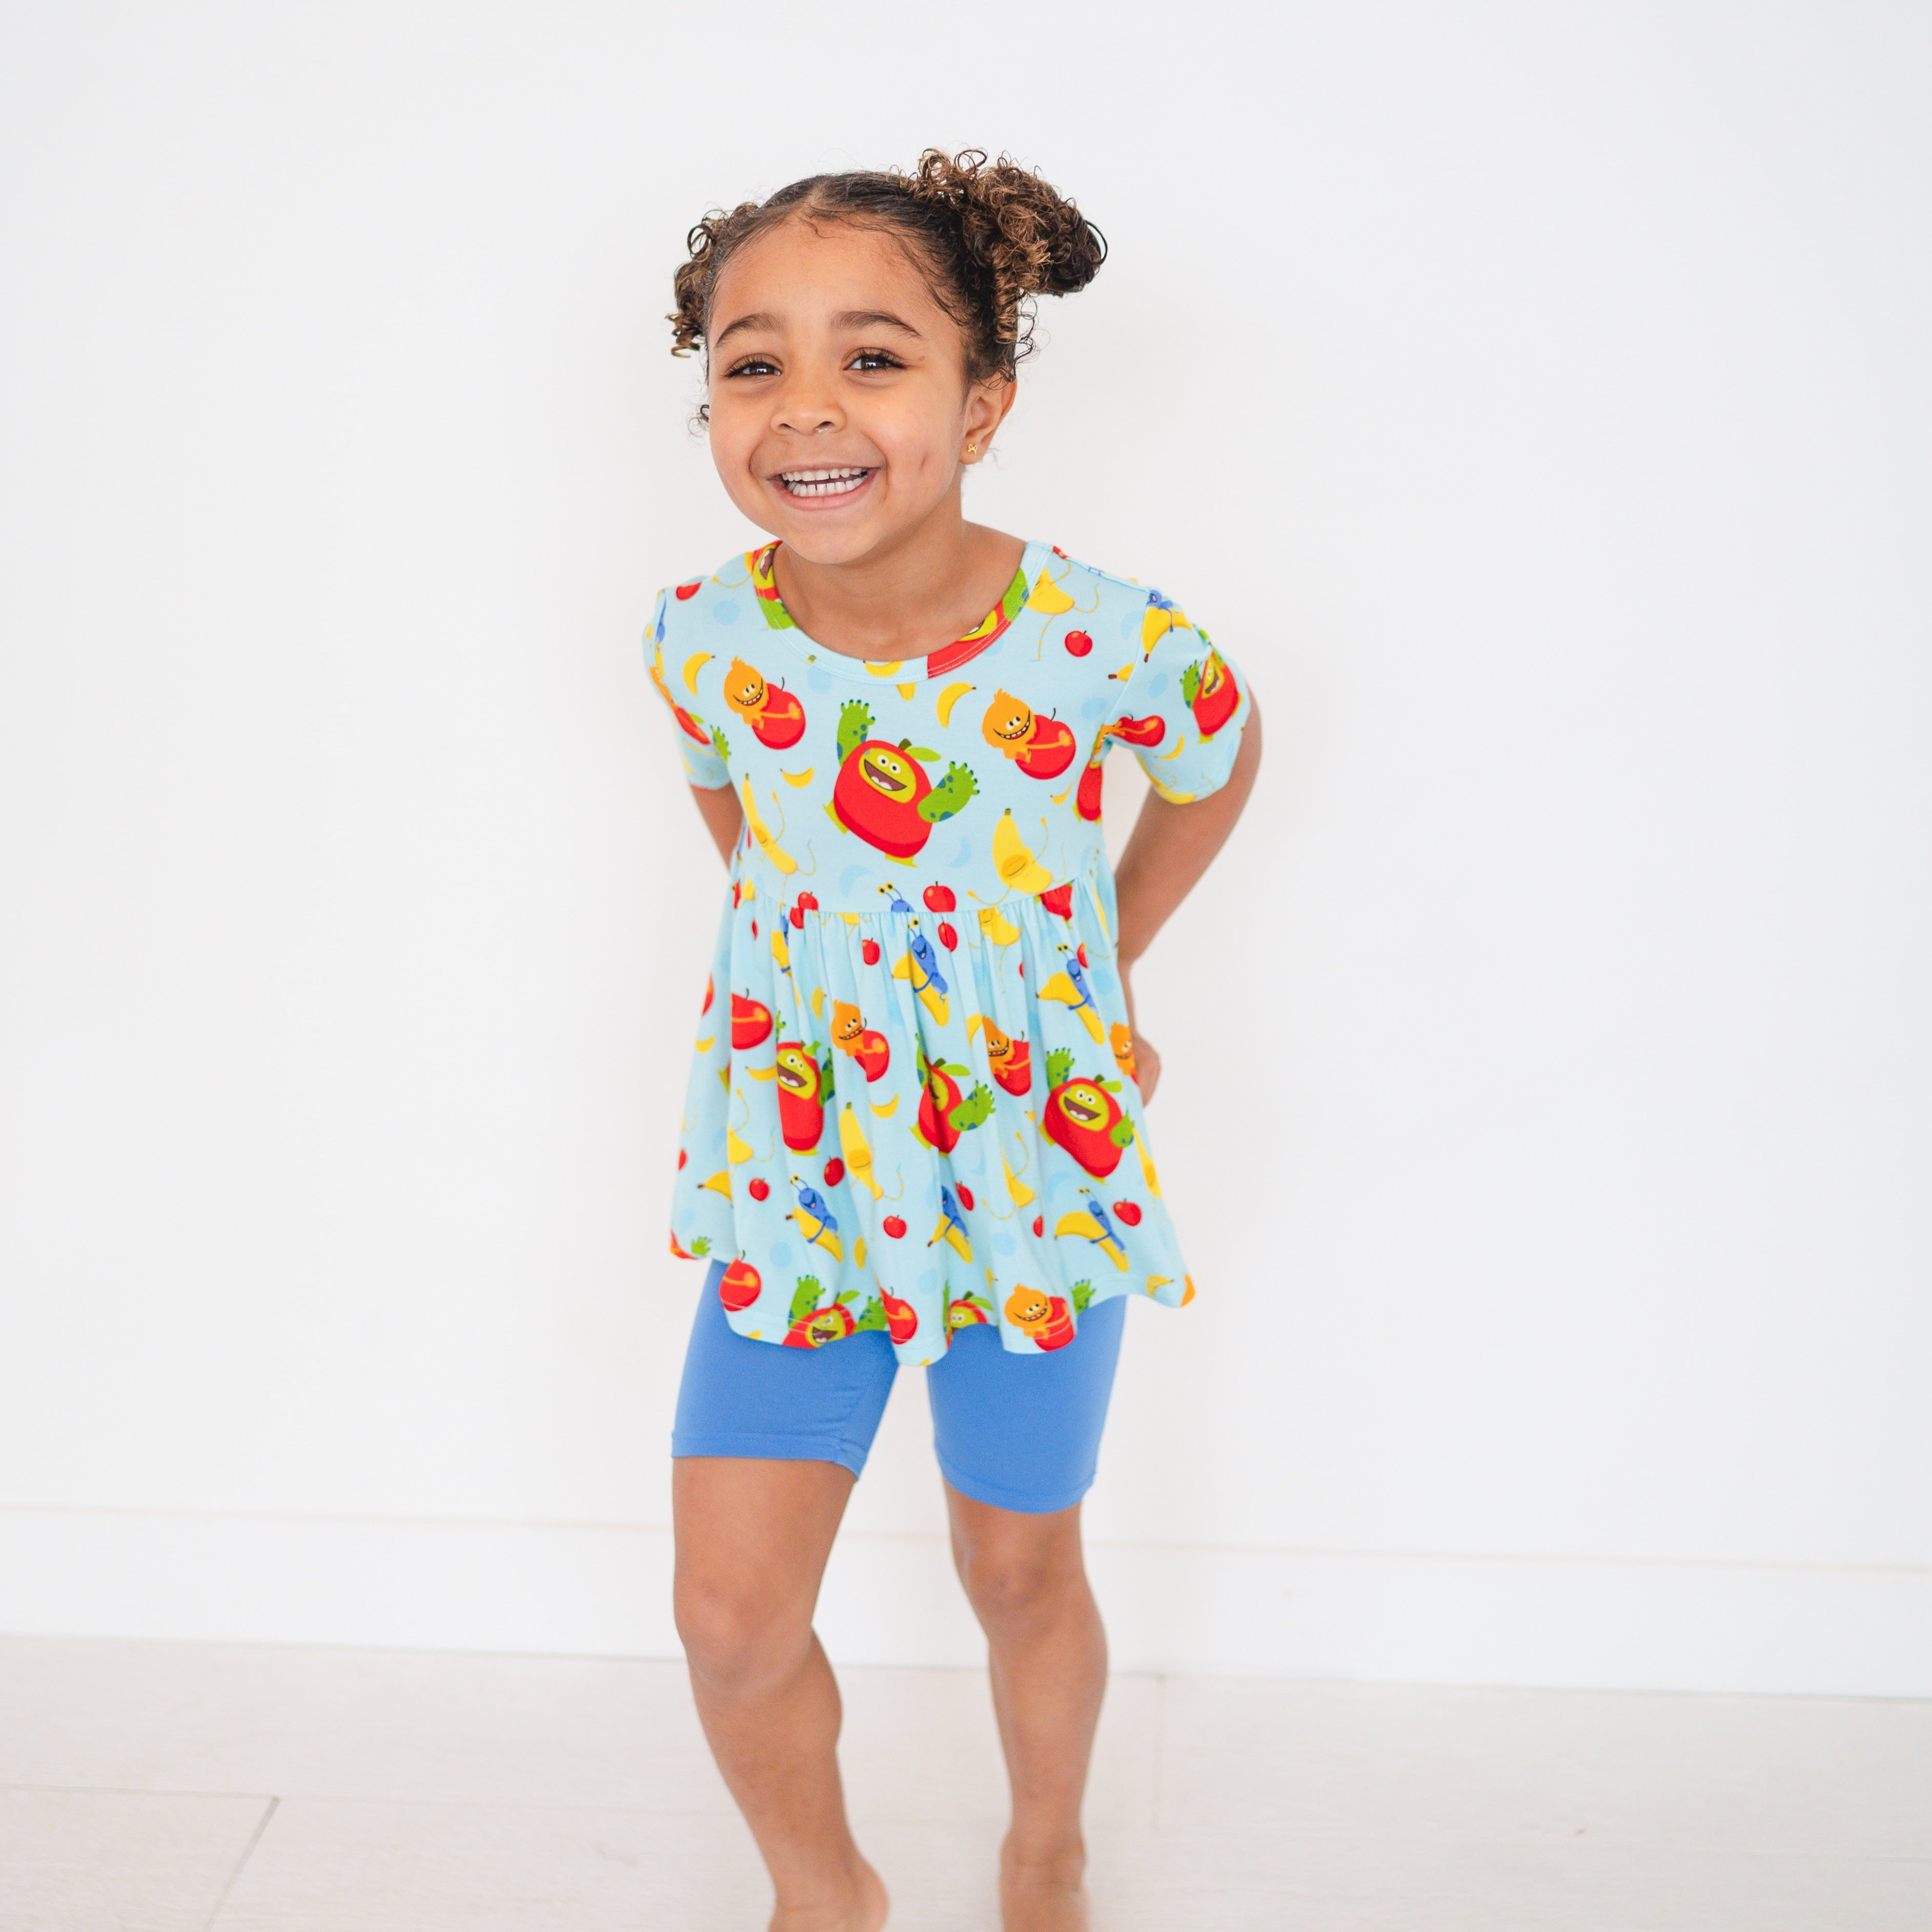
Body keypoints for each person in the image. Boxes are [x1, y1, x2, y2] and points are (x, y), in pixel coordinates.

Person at [648, 148, 1262, 1932]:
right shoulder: (701, 640)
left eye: (875, 356)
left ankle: (1046, 1842)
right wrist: (832, 987)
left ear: (981, 402)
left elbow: (1216, 761)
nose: (806, 408)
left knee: (1014, 1561)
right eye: (752, 363)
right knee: (728, 1611)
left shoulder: (1103, 638)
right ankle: (823, 1892)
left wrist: (1099, 969)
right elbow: (747, 817)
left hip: (1026, 1167)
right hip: (800, 1174)